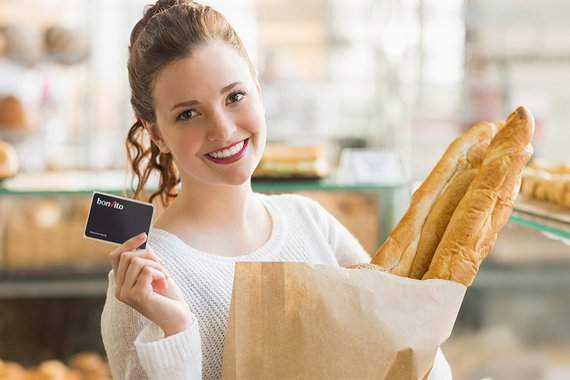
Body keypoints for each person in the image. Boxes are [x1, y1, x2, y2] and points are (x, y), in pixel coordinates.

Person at [100, 0, 452, 379]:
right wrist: (175, 332)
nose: (222, 130)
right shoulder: (144, 286)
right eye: (188, 113)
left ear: (258, 87)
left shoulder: (310, 222)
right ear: (155, 133)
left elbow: (416, 358)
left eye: (234, 97)